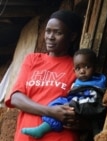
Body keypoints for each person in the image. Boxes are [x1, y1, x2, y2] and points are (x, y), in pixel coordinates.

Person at [5, 10, 84, 141]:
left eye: (58, 33)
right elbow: (16, 98)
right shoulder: (33, 60)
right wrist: (51, 111)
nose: (50, 37)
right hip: (25, 136)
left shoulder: (76, 66)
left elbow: (81, 106)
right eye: (48, 31)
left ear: (72, 36)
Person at [21, 48, 107, 139]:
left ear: (95, 67)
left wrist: (71, 105)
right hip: (76, 104)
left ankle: (42, 129)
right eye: (78, 68)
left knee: (64, 109)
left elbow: (95, 100)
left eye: (86, 67)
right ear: (74, 71)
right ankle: (43, 126)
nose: (82, 71)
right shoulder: (78, 81)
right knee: (58, 103)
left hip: (86, 104)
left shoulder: (98, 82)